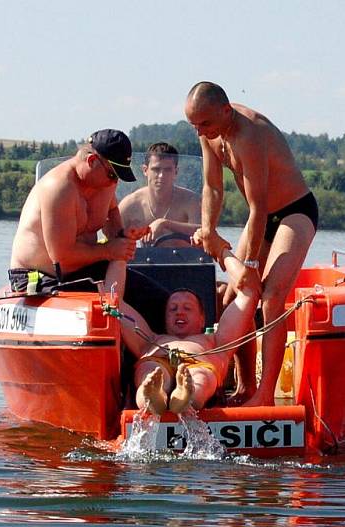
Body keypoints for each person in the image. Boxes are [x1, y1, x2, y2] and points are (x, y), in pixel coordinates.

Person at [184, 81, 319, 407]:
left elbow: (258, 207)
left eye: (204, 124)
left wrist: (253, 266)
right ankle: (244, 386)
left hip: (293, 212)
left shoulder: (250, 134)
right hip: (261, 217)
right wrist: (207, 231)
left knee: (270, 298)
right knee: (232, 297)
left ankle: (266, 395)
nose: (200, 131)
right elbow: (213, 188)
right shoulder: (209, 133)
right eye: (193, 125)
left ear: (225, 111)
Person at [116, 237, 257, 415]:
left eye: (187, 308)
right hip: (157, 361)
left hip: (200, 364)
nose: (179, 312)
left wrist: (219, 249)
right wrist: (120, 252)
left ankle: (187, 398)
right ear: (164, 319)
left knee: (200, 378)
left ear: (202, 319)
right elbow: (115, 300)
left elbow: (248, 291)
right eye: (173, 309)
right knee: (150, 374)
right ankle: (152, 397)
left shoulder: (216, 341)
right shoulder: (150, 339)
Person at [8, 129, 148, 296]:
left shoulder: (105, 182)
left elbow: (111, 212)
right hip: (40, 277)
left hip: (84, 270)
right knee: (102, 308)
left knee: (160, 300)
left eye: (118, 176)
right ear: (92, 160)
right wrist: (110, 250)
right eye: (112, 174)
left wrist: (122, 234)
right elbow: (62, 259)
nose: (114, 181)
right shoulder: (59, 188)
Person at [118, 142, 201, 247]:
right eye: (156, 170)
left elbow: (205, 232)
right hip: (143, 262)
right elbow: (111, 235)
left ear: (176, 172)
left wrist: (164, 224)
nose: (161, 175)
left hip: (186, 261)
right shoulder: (131, 204)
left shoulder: (191, 201)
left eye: (167, 170)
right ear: (145, 170)